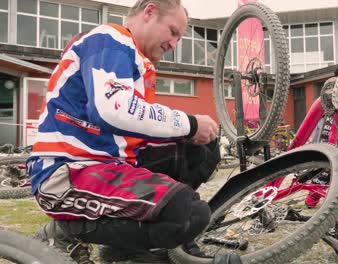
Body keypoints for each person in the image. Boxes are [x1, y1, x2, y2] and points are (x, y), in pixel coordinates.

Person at [27, 1, 220, 263]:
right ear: (149, 12)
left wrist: (192, 135)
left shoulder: (135, 61)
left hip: (108, 162)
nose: (174, 44)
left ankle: (126, 246)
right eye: (173, 32)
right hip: (68, 172)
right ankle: (65, 231)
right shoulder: (110, 38)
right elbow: (113, 109)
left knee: (201, 150)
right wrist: (189, 124)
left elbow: (134, 126)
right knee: (186, 214)